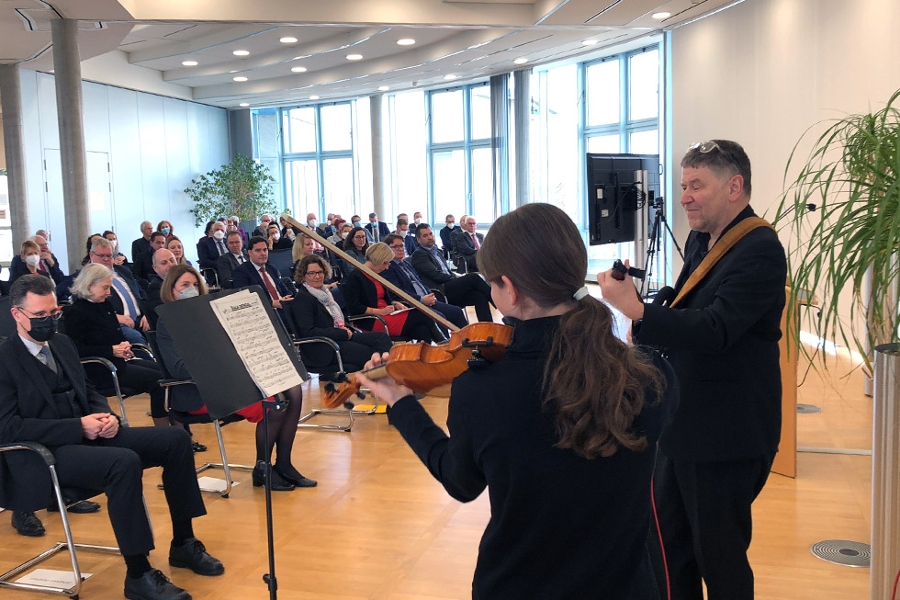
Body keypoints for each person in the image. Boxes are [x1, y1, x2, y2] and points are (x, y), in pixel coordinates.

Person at [356, 203, 677, 599]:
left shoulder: (482, 389)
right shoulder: (653, 376)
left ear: (509, 289)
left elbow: (460, 482)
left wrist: (401, 402)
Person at [598, 139, 787, 600]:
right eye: (684, 185)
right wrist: (653, 307)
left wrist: (640, 314)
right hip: (683, 424)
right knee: (670, 551)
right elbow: (690, 303)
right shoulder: (703, 239)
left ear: (734, 186)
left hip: (727, 434)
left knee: (719, 557)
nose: (683, 197)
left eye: (696, 186)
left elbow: (717, 327)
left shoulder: (760, 248)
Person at [0, 274, 224, 600]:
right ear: (17, 314)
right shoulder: (4, 359)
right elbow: (8, 428)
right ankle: (138, 574)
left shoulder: (61, 343)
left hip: (86, 439)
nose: (49, 322)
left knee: (175, 441)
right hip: (40, 456)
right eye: (40, 317)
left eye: (53, 314)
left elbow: (87, 390)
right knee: (123, 462)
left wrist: (106, 416)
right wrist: (79, 426)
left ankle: (184, 543)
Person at [156, 265, 316, 491]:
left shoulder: (208, 314)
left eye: (194, 285)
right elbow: (179, 368)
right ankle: (263, 468)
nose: (191, 289)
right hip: (199, 391)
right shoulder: (168, 321)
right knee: (275, 405)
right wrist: (223, 365)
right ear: (171, 290)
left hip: (231, 381)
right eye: (184, 285)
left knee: (293, 389)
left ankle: (284, 463)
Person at [64, 264, 169, 428]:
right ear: (90, 285)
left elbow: (115, 334)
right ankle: (164, 431)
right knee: (158, 382)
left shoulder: (105, 305)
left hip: (118, 360)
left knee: (165, 373)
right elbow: (76, 350)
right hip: (100, 368)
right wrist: (112, 350)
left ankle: (178, 429)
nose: (108, 292)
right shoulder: (76, 312)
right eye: (105, 287)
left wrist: (124, 345)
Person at [289, 254, 392, 372]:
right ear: (303, 276)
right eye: (312, 273)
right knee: (367, 352)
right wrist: (340, 333)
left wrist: (346, 329)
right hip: (324, 346)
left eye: (320, 272)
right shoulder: (303, 299)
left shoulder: (326, 294)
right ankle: (382, 375)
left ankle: (387, 372)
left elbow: (335, 320)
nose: (317, 276)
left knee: (381, 338)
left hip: (340, 337)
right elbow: (308, 332)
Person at [340, 243, 441, 342]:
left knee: (422, 329)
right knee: (423, 314)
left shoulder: (378, 274)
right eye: (385, 263)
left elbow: (385, 298)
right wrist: (380, 312)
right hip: (373, 320)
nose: (387, 267)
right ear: (377, 259)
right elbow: (354, 307)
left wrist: (395, 303)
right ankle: (444, 343)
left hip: (386, 315)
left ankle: (424, 356)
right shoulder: (355, 277)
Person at [410, 224, 495, 322]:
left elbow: (446, 271)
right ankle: (498, 302)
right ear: (418, 239)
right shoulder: (419, 255)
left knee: (479, 295)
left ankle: (488, 328)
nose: (429, 237)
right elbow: (436, 275)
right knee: (473, 278)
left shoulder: (437, 251)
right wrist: (456, 277)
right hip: (440, 290)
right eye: (425, 236)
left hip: (450, 287)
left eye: (430, 234)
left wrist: (457, 276)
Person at [381, 234, 467, 330]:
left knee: (457, 312)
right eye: (396, 247)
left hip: (427, 300)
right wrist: (421, 299)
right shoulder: (388, 268)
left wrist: (429, 294)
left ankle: (468, 341)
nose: (400, 249)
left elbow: (420, 282)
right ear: (388, 250)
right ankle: (447, 344)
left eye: (402, 246)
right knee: (439, 317)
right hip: (412, 304)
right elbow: (398, 292)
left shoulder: (406, 264)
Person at [231, 236, 294, 310]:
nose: (263, 253)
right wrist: (273, 303)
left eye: (265, 250)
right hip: (265, 311)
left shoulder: (271, 268)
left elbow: (283, 288)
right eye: (258, 250)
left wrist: (287, 296)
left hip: (284, 308)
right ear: (250, 253)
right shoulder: (241, 272)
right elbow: (246, 299)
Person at [145, 248, 178, 330]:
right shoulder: (155, 289)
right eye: (164, 263)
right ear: (155, 268)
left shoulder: (183, 281)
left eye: (172, 260)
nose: (170, 264)